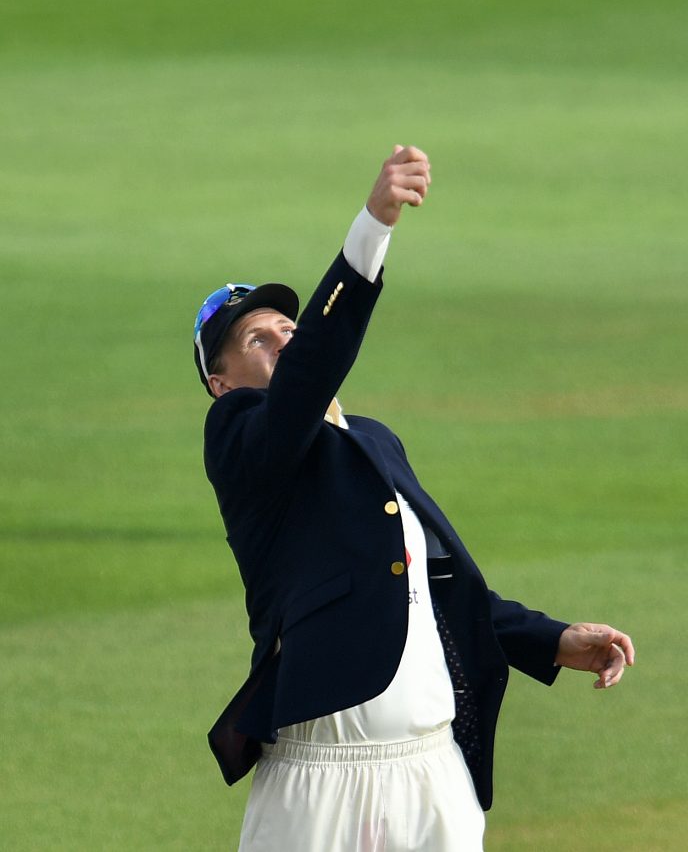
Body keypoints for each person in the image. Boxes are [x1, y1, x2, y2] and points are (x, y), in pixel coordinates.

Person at [194, 145, 635, 852]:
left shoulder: (373, 443)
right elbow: (308, 378)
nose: (281, 334)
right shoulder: (239, 438)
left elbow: (440, 587)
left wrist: (549, 641)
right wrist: (373, 226)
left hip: (432, 771)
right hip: (321, 780)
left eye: (287, 327)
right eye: (255, 336)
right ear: (220, 383)